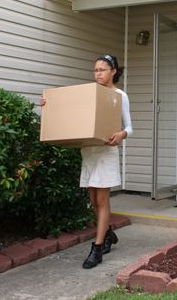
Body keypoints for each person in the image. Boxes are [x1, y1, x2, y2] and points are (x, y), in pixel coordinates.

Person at [41, 54, 132, 269]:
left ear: (114, 71)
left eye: (102, 69)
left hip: (106, 153)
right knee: (93, 200)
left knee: (101, 200)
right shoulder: (90, 94)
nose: (98, 73)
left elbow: (129, 127)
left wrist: (121, 135)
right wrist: (48, 105)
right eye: (95, 70)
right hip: (88, 152)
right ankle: (109, 234)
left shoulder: (119, 95)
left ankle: (97, 248)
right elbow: (69, 110)